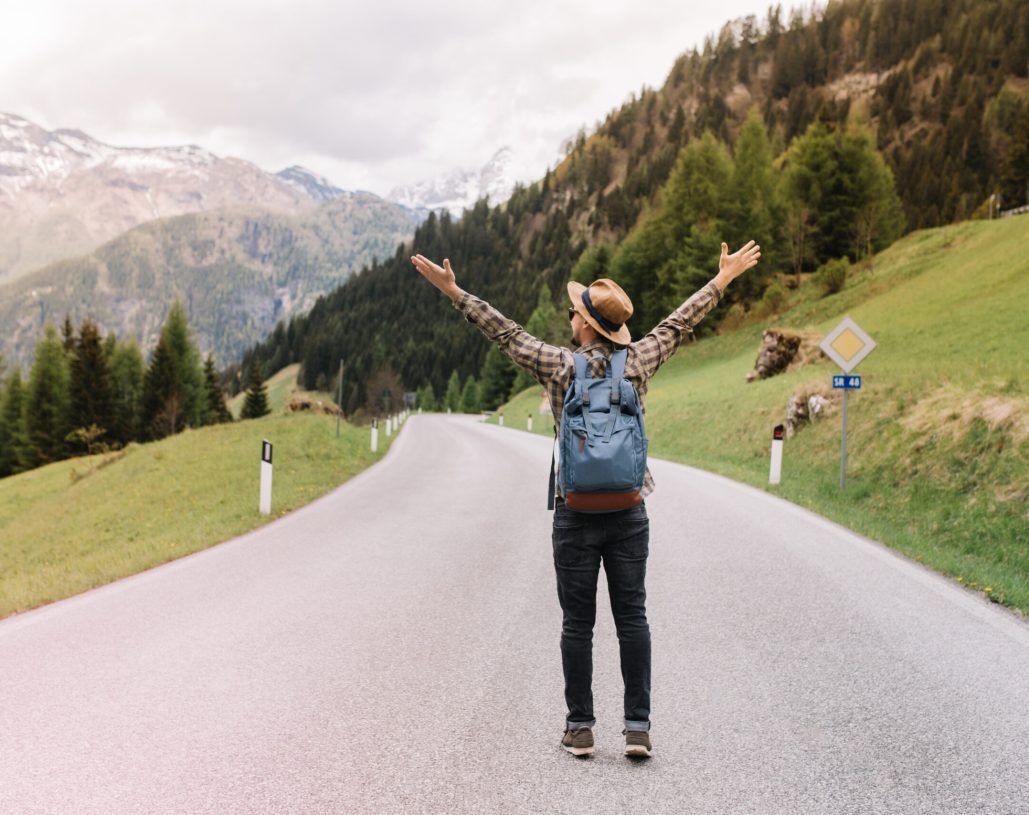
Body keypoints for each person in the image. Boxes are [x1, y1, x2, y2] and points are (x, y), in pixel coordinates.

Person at [410, 240, 760, 758]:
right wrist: (723, 280)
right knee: (633, 618)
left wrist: (456, 292)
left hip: (574, 512)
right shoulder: (639, 360)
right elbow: (680, 323)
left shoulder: (559, 366)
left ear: (589, 326)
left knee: (578, 623)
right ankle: (637, 728)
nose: (570, 317)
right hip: (629, 510)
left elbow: (504, 333)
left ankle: (580, 728)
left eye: (575, 313)